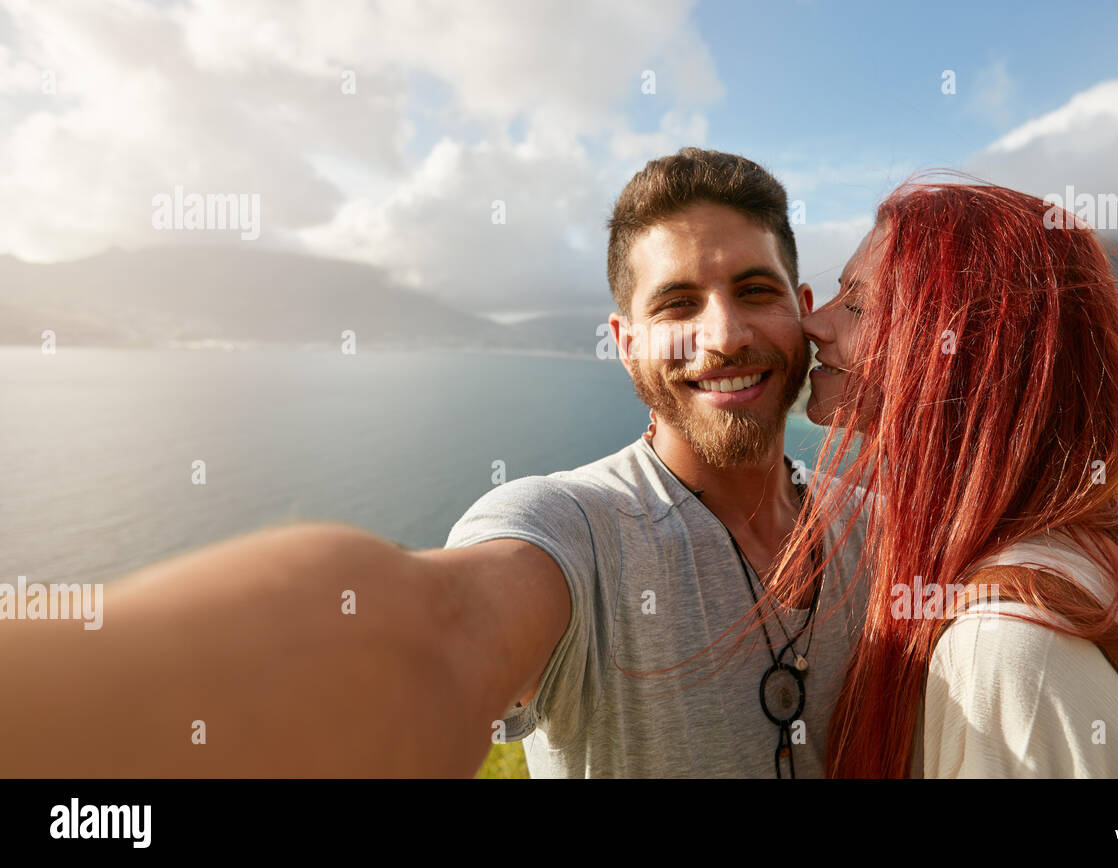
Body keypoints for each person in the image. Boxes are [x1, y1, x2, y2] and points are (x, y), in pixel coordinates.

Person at [0, 148, 868, 778]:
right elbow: (438, 627)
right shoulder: (580, 530)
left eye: (754, 291)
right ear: (625, 342)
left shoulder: (875, 521)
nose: (723, 336)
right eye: (678, 303)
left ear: (801, 308)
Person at [764, 177, 1118, 778]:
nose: (814, 325)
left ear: (967, 351)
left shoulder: (1002, 647)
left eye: (858, 305)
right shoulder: (1095, 546)